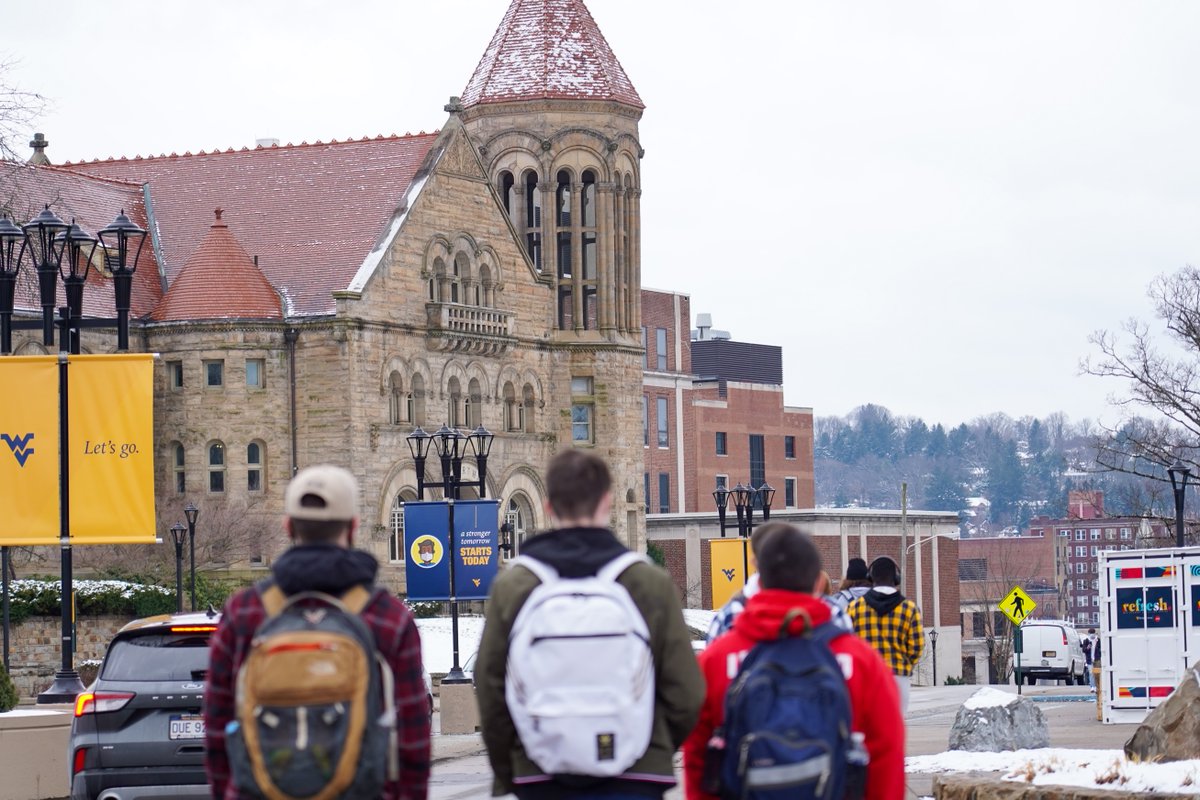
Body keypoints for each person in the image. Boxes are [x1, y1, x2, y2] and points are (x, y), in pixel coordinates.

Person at [476, 450, 704, 799]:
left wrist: (514, 766)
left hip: (541, 773)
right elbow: (686, 692)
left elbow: (490, 687)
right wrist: (649, 745)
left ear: (549, 506)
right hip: (635, 776)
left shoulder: (514, 586)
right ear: (607, 502)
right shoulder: (647, 583)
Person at [204, 465, 430, 800]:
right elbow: (412, 736)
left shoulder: (245, 612)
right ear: (353, 527)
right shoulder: (387, 617)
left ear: (288, 526)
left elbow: (216, 723)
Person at [681, 522, 905, 800]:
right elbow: (886, 757)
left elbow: (698, 761)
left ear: (759, 581)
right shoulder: (861, 661)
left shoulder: (716, 660)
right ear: (817, 583)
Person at [847, 555, 924, 714]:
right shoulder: (910, 609)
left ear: (870, 577)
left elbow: (848, 645)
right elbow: (917, 647)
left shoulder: (854, 608)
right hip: (898, 677)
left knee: (866, 731)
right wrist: (905, 665)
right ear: (896, 578)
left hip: (866, 678)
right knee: (894, 732)